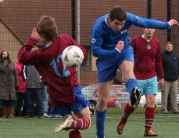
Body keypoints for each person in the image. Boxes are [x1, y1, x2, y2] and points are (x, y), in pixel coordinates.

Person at [91, 5, 179, 138]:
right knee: (102, 100)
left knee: (127, 70)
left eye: (122, 24)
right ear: (109, 19)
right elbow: (95, 51)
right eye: (116, 24)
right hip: (106, 57)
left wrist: (166, 24)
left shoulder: (128, 18)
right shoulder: (98, 27)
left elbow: (146, 22)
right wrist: (114, 51)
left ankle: (135, 93)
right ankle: (100, 135)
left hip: (123, 50)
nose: (120, 27)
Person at [18, 15, 91, 138]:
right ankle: (71, 123)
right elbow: (83, 53)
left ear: (42, 36)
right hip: (71, 89)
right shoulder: (65, 39)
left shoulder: (39, 55)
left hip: (57, 95)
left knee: (72, 128)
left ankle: (70, 123)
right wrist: (75, 58)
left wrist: (32, 39)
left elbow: (22, 57)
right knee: (86, 122)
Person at [118, 28, 164, 137]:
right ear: (144, 29)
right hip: (137, 77)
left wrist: (161, 76)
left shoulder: (156, 42)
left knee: (151, 101)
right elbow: (126, 57)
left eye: (152, 28)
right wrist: (125, 74)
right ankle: (123, 120)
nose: (149, 30)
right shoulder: (136, 41)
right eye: (148, 28)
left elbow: (158, 60)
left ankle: (148, 129)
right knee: (134, 103)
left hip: (152, 76)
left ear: (154, 31)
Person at [23, 46, 44, 119]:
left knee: (39, 100)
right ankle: (29, 114)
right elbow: (23, 70)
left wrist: (41, 78)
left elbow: (44, 71)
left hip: (38, 84)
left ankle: (40, 114)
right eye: (33, 50)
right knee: (29, 101)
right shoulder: (27, 60)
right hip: (29, 84)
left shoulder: (41, 60)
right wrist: (26, 79)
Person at [0, 50, 19, 118]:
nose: (4, 55)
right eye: (3, 54)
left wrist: (17, 84)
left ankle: (11, 113)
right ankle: (5, 114)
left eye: (6, 54)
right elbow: (2, 69)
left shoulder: (12, 63)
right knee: (4, 100)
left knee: (11, 99)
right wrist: (5, 61)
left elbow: (15, 74)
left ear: (8, 55)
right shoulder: (1, 63)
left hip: (11, 84)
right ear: (1, 55)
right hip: (3, 84)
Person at [161, 42, 179, 114]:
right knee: (164, 95)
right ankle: (164, 109)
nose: (169, 47)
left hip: (175, 79)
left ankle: (175, 109)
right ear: (165, 47)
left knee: (174, 95)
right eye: (168, 46)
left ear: (172, 47)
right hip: (165, 79)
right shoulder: (162, 55)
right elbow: (160, 67)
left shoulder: (175, 55)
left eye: (170, 46)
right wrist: (161, 77)